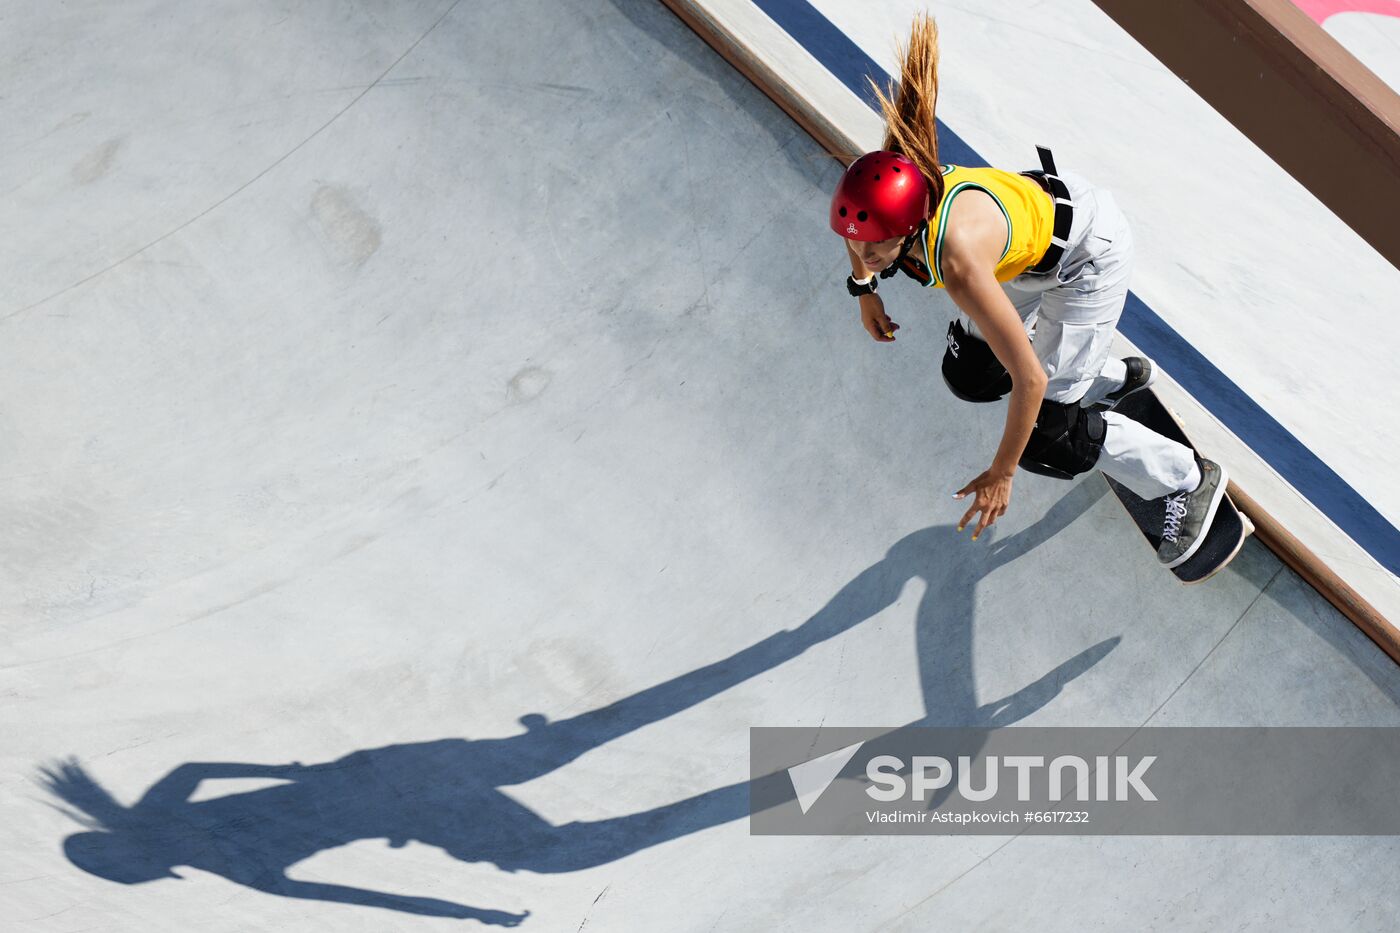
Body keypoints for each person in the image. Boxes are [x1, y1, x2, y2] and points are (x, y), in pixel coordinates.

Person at [831, 13, 1226, 568]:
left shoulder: (959, 262)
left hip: (1089, 256)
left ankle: (1187, 480)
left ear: (912, 226)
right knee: (970, 372)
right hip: (1030, 251)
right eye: (858, 242)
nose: (866, 253)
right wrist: (863, 288)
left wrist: (1001, 474)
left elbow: (1031, 379)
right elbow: (859, 234)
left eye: (877, 248)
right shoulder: (897, 187)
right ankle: (1114, 375)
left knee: (1050, 438)